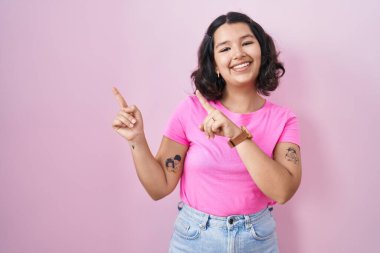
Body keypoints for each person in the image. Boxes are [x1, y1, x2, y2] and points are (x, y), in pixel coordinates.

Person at [112, 11, 302, 253]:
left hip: (257, 240)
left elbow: (283, 192)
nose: (238, 53)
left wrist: (237, 134)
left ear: (262, 52)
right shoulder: (190, 109)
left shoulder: (284, 119)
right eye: (225, 49)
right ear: (215, 65)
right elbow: (159, 188)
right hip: (195, 239)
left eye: (246, 43)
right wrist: (137, 139)